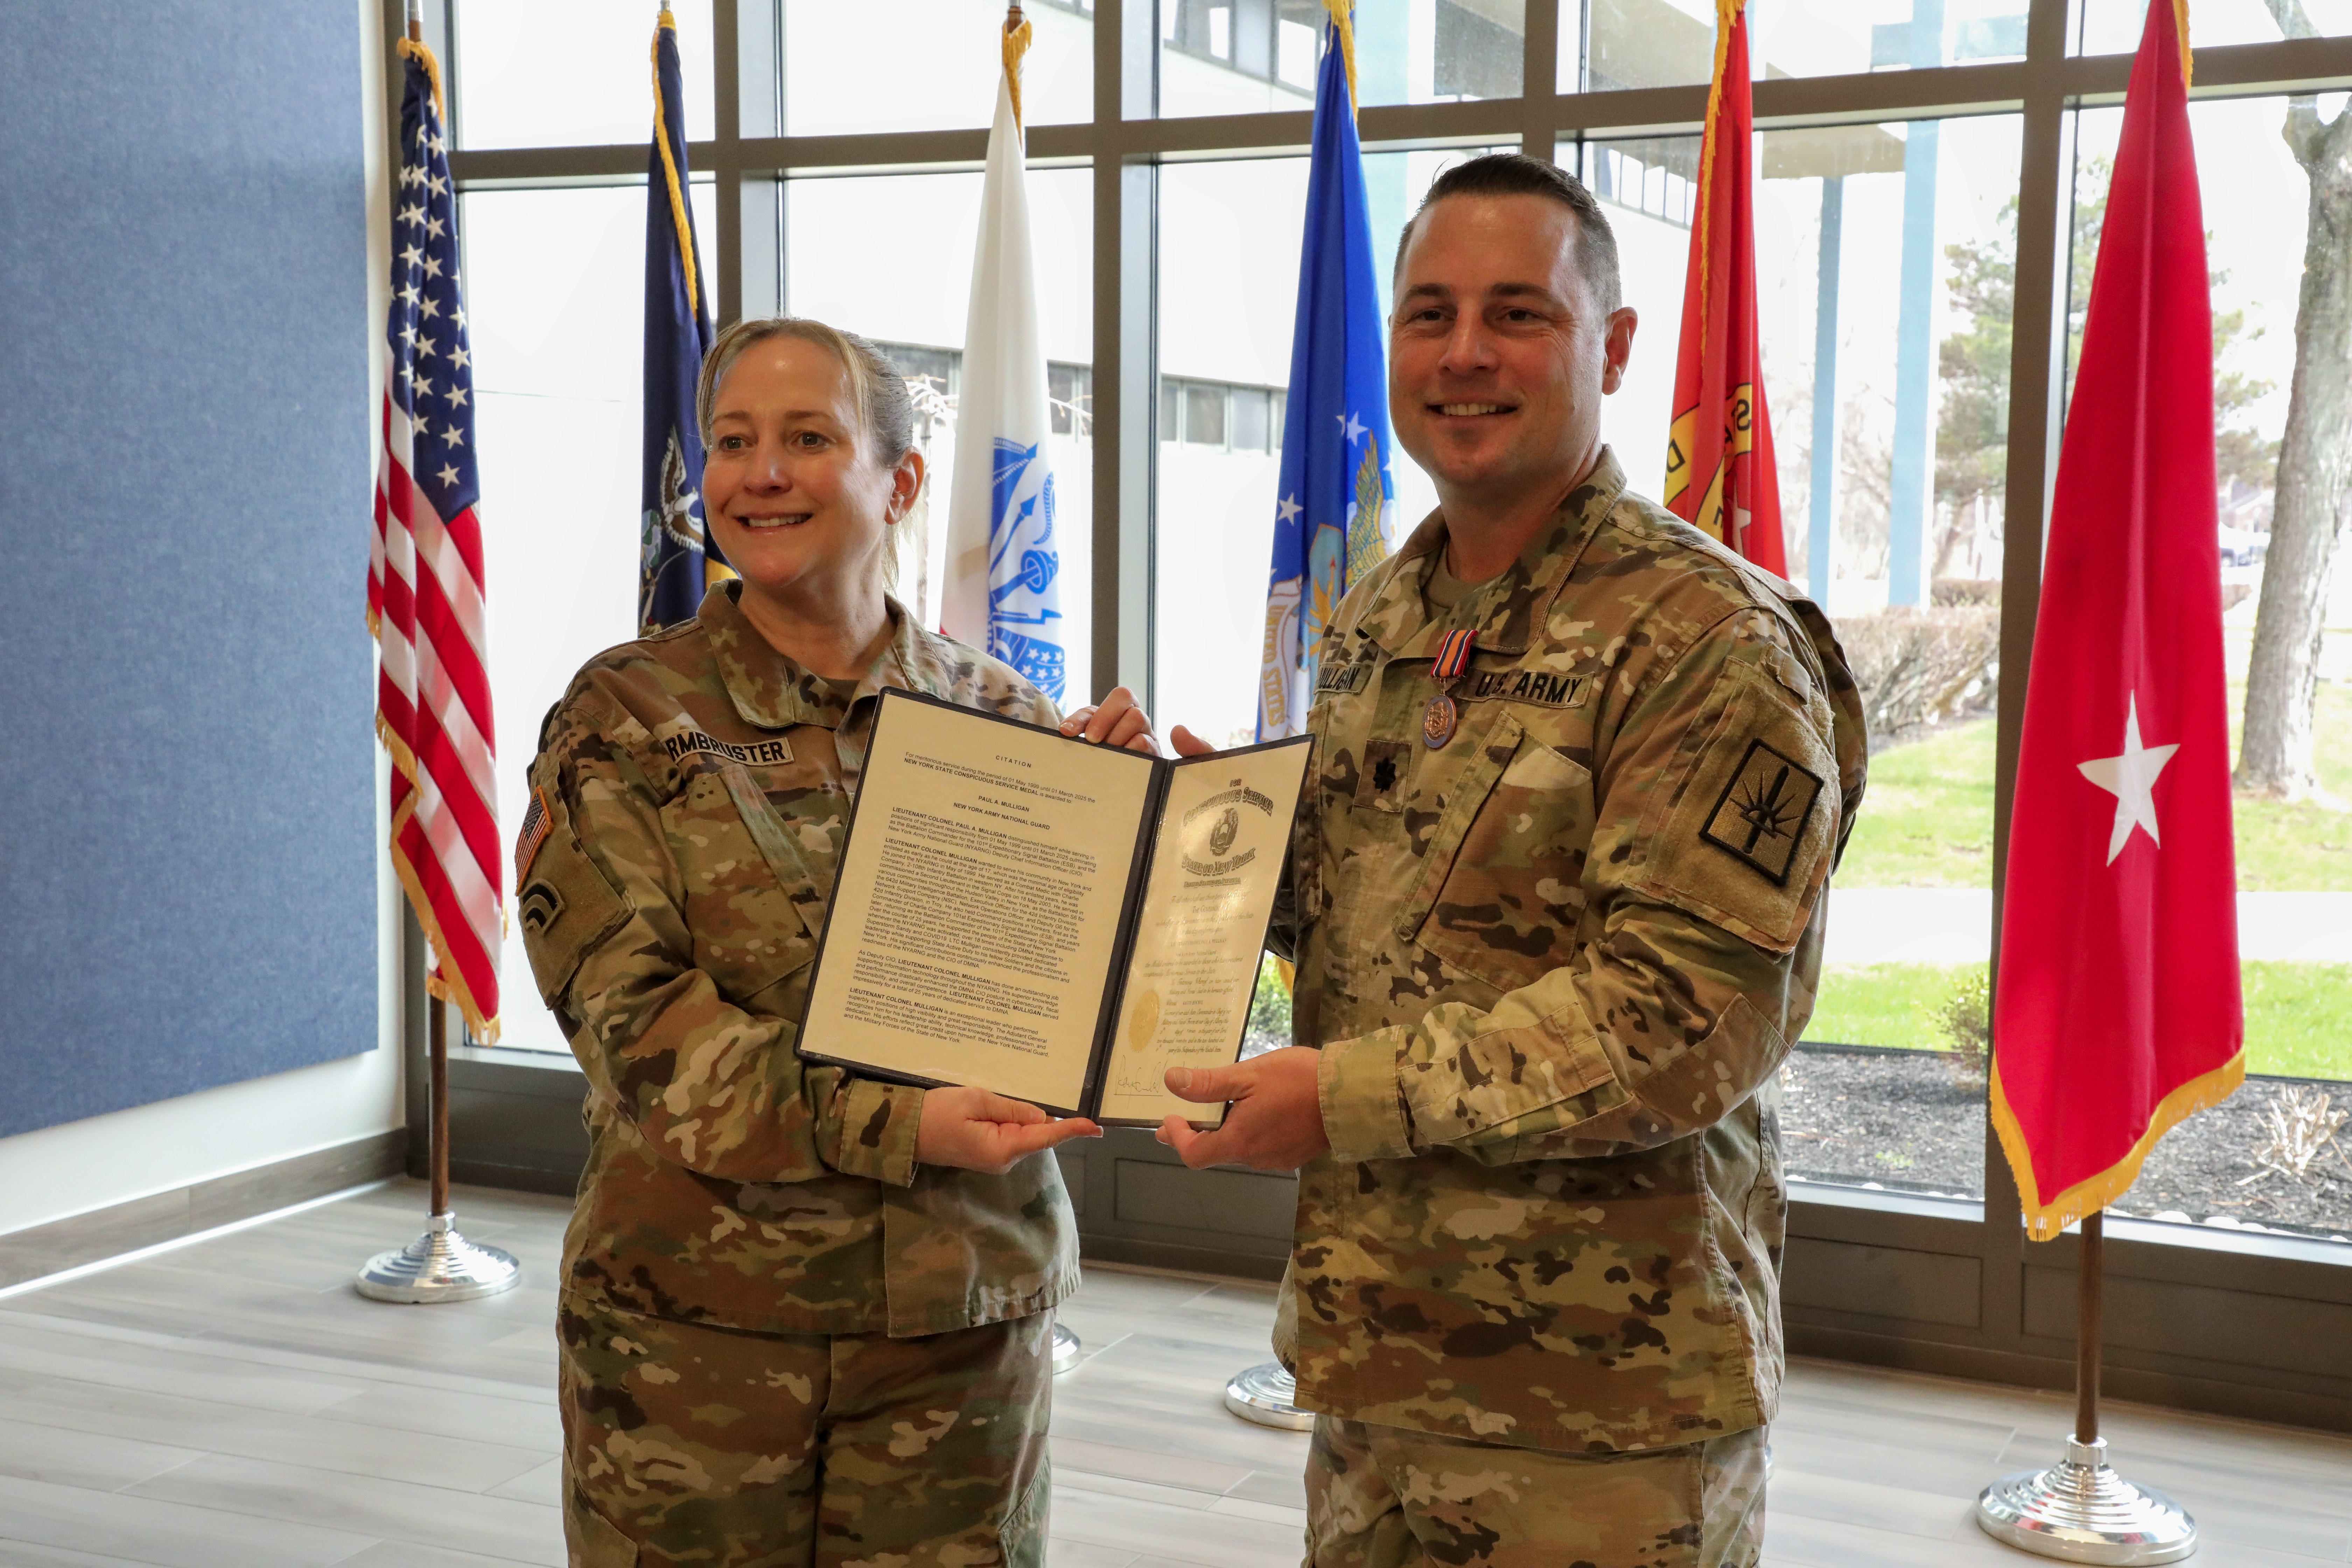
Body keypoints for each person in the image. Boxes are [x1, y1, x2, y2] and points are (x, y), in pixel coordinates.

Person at [1156, 154, 1868, 1567]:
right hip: (1377, 1350)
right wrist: (1183, 841)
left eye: (1517, 314)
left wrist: (1337, 1098)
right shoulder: (1383, 616)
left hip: (1597, 1402)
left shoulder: (1712, 643)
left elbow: (1679, 1026)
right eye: (1430, 314)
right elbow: (1368, 915)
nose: (1465, 353)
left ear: (1613, 345)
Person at [516, 315, 1152, 1567]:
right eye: (732, 442)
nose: (761, 474)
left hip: (961, 1331)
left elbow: (1067, 1011)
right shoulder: (625, 715)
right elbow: (639, 1031)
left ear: (899, 483)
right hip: (700, 1338)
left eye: (809, 438)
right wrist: (901, 1124)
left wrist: (1135, 833)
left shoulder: (1005, 716)